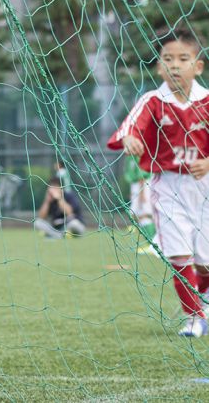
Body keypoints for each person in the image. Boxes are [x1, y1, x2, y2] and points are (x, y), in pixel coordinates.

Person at [107, 29, 209, 337]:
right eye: (168, 59)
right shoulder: (152, 101)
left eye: (183, 58)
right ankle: (193, 318)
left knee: (205, 263)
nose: (175, 65)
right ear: (159, 67)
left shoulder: (207, 101)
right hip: (167, 186)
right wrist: (129, 139)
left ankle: (201, 299)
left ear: (198, 66)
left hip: (205, 188)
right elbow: (130, 128)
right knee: (179, 254)